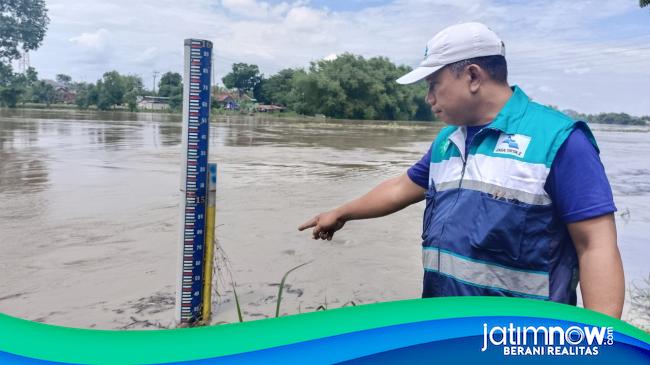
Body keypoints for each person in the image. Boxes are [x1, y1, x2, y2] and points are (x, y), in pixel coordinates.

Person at [298, 22, 625, 318]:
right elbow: (402, 187)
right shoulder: (448, 141)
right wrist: (341, 213)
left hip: (522, 338)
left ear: (472, 76)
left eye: (433, 84)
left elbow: (595, 244)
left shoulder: (559, 141)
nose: (428, 98)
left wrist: (599, 343)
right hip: (446, 327)